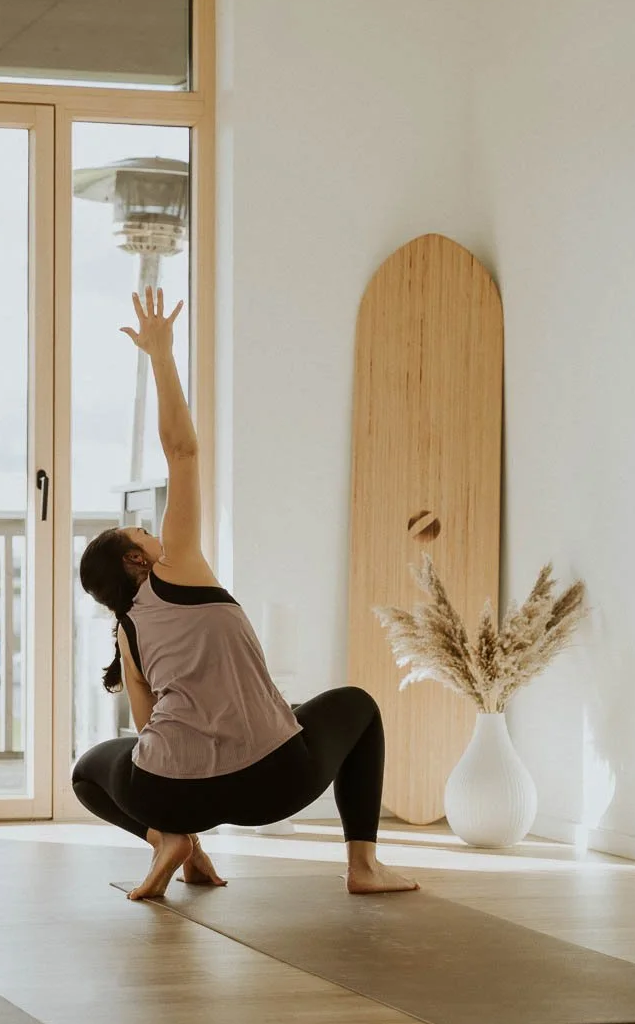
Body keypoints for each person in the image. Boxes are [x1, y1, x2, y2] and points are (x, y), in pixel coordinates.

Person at [74, 288, 419, 903]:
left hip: (173, 794)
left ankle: (170, 840)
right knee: (359, 705)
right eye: (142, 533)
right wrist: (161, 356)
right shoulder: (177, 569)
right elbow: (182, 451)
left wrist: (172, 807)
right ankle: (364, 866)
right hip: (272, 784)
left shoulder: (127, 631)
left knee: (87, 770)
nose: (153, 533)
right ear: (136, 560)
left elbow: (148, 728)